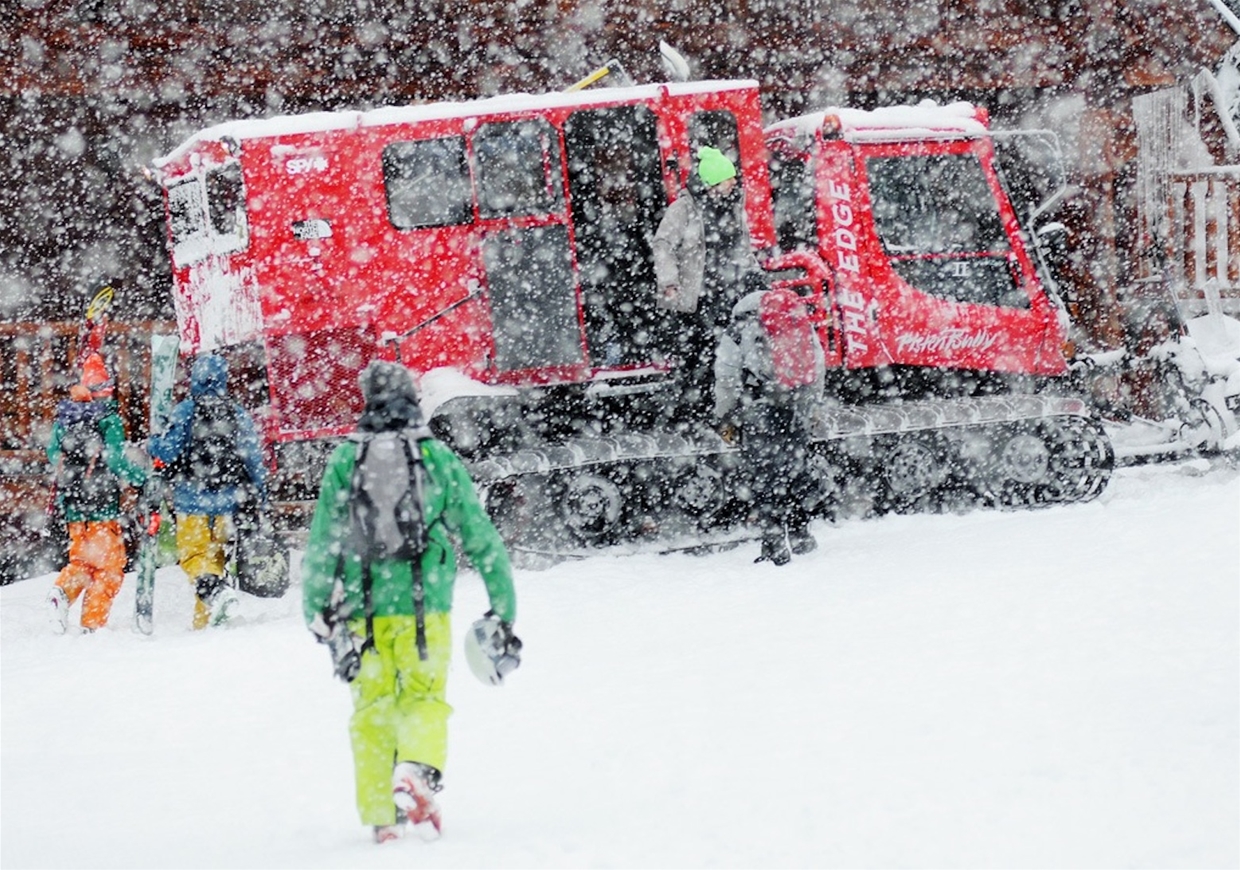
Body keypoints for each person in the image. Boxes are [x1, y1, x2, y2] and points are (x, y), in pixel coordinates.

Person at [300, 360, 518, 844]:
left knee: (372, 710)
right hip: (425, 609)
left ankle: (383, 819)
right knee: (423, 698)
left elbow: (323, 544)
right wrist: (503, 606)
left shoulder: (345, 462)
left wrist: (315, 608)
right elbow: (480, 538)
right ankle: (416, 772)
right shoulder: (436, 458)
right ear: (412, 400)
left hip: (363, 614)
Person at [148, 353, 267, 629]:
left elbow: (167, 450)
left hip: (192, 503)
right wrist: (260, 497)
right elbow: (253, 460)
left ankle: (217, 594)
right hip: (228, 505)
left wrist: (153, 441)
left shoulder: (186, 410)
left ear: (195, 379)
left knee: (193, 559)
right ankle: (206, 623)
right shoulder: (237, 413)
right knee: (213, 562)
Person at [714, 286, 825, 565]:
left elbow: (726, 377)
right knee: (797, 470)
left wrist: (724, 417)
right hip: (797, 403)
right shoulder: (795, 318)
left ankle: (774, 545)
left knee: (766, 478)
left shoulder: (739, 329)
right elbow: (818, 364)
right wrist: (812, 408)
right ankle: (801, 536)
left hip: (760, 408)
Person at [653, 145, 763, 422]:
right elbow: (663, 244)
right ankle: (694, 408)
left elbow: (742, 246)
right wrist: (669, 281)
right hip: (698, 296)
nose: (734, 182)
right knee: (698, 353)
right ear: (714, 182)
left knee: (729, 352)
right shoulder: (684, 210)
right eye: (729, 178)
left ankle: (723, 408)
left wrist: (755, 274)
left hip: (730, 292)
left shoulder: (733, 206)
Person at [46, 352, 146, 633]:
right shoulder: (108, 419)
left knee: (82, 561)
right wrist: (139, 478)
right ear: (106, 388)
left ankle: (61, 593)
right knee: (109, 568)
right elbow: (116, 459)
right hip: (102, 505)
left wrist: (76, 477)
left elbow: (53, 453)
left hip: (74, 506)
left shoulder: (64, 418)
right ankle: (93, 624)